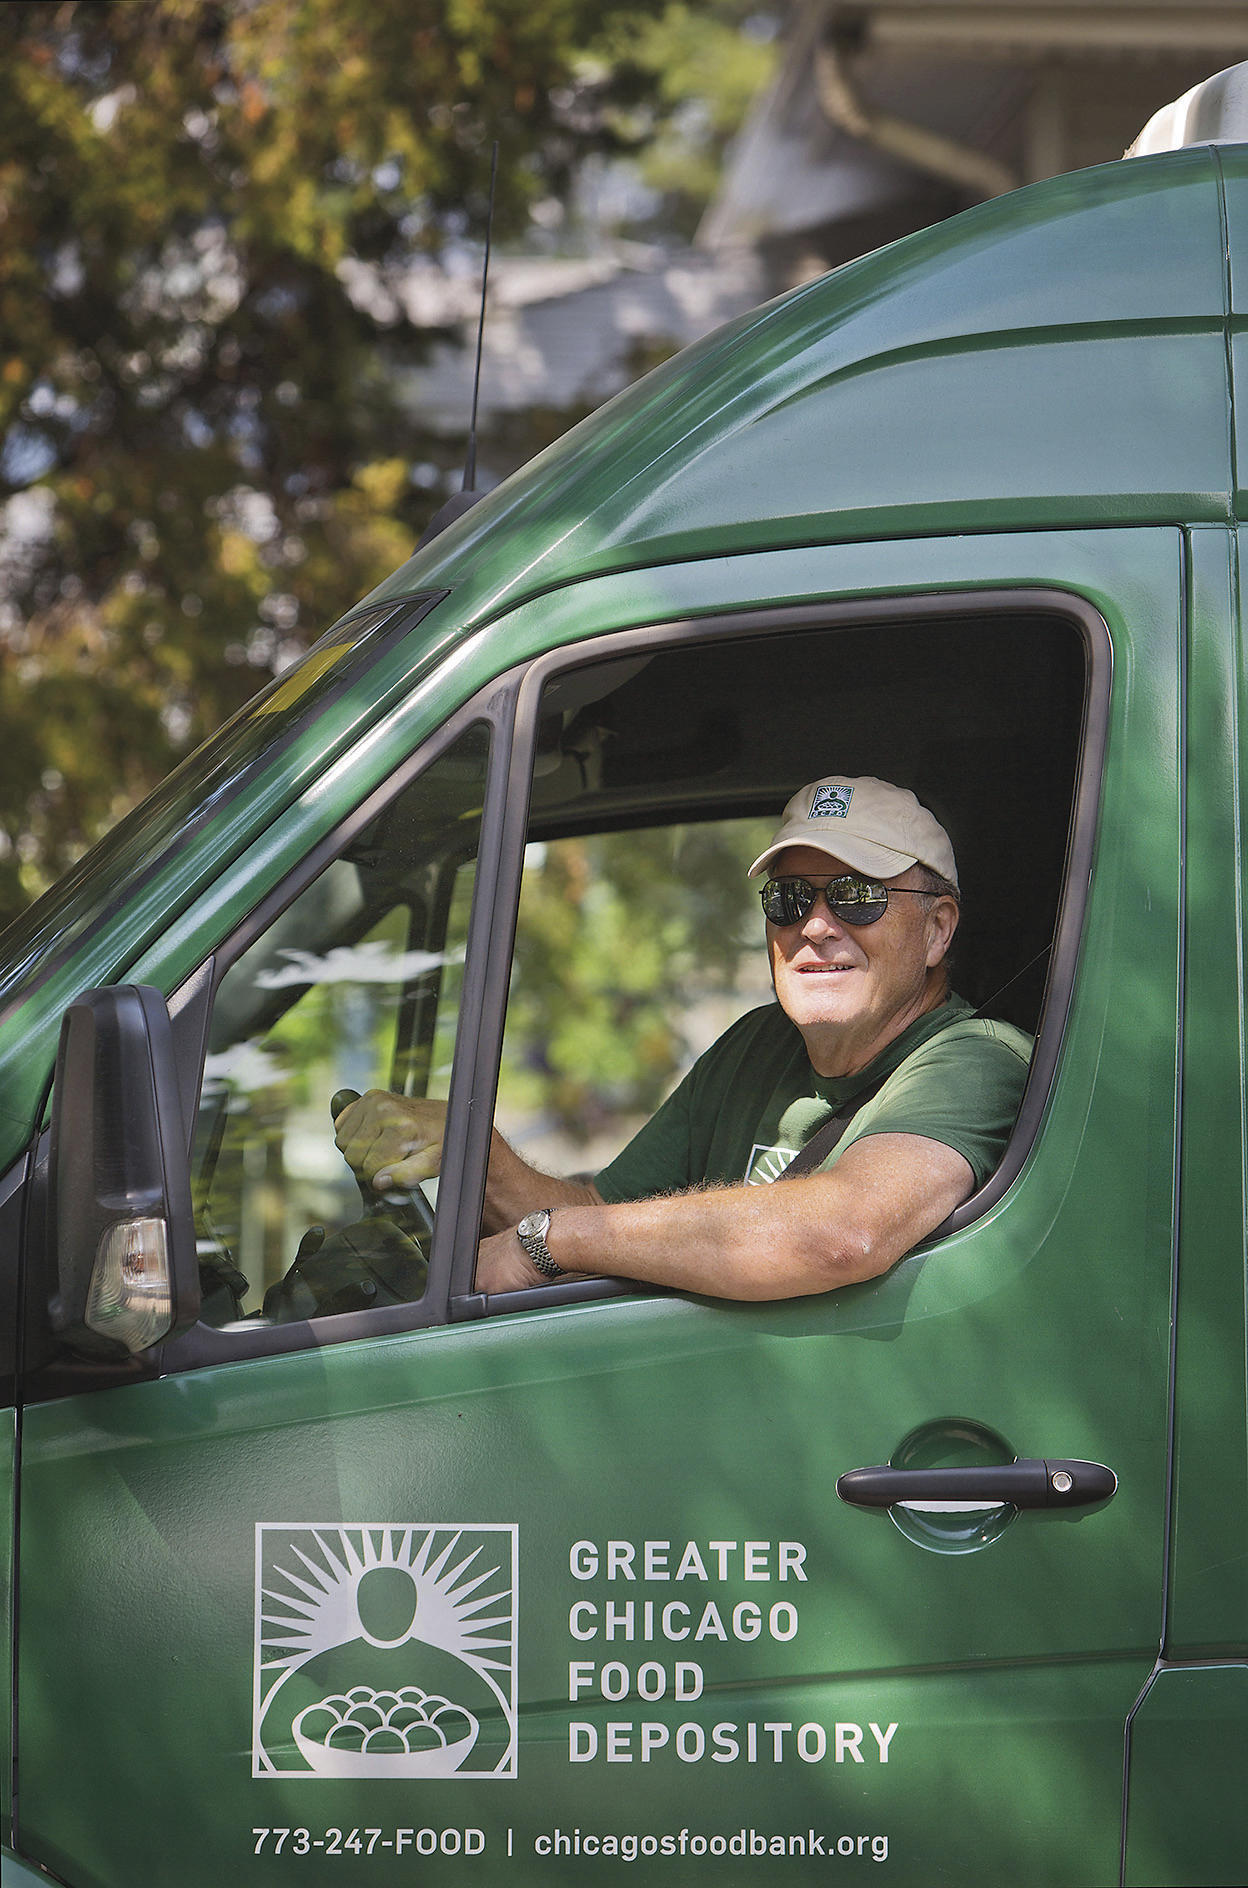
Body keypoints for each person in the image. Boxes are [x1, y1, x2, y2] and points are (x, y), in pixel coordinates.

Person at [333, 775, 1032, 1301]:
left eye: (856, 895)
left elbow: (841, 1234)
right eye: (790, 900)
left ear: (938, 928)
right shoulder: (761, 1042)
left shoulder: (975, 1062)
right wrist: (478, 1156)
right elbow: (611, 1218)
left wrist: (547, 1243)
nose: (815, 925)